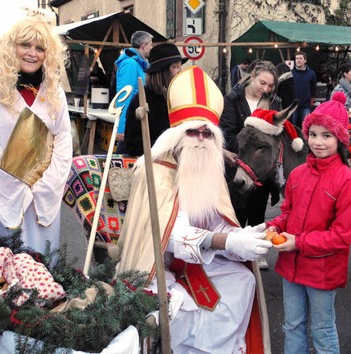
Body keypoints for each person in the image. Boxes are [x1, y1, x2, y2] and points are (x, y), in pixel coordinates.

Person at [115, 66, 272, 353]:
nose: (201, 139)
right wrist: (224, 241)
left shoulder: (209, 169)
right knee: (170, 307)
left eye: (207, 133)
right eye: (193, 132)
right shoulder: (155, 171)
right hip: (157, 267)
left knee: (243, 279)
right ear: (177, 135)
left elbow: (217, 222)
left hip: (199, 261)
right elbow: (169, 236)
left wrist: (240, 237)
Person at [265, 92, 351, 354]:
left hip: (323, 270)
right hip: (291, 266)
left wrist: (297, 242)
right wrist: (275, 225)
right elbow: (289, 212)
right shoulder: (297, 174)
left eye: (327, 135)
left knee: (322, 329)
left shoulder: (348, 183)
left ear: (340, 139)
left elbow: (341, 236)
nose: (318, 142)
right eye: (313, 134)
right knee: (292, 325)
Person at [0, 18, 72, 254]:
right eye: (25, 45)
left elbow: (63, 139)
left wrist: (46, 184)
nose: (32, 53)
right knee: (8, 262)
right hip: (4, 191)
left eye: (40, 48)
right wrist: (18, 185)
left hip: (43, 193)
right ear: (12, 46)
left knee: (44, 263)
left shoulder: (54, 90)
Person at [220, 60, 281, 270]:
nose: (265, 89)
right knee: (237, 209)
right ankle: (234, 249)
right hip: (238, 162)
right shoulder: (233, 99)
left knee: (257, 209)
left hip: (263, 167)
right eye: (262, 83)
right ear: (252, 75)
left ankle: (256, 250)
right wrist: (250, 148)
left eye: (270, 86)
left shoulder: (275, 102)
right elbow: (227, 132)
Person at [122, 43, 187, 156]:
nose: (180, 71)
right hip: (150, 166)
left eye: (180, 66)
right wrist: (169, 145)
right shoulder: (141, 100)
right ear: (162, 72)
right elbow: (133, 146)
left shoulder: (178, 98)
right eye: (175, 67)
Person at [114, 30, 153, 146]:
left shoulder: (140, 65)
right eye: (150, 44)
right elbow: (124, 96)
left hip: (138, 121)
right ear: (143, 46)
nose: (152, 47)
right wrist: (122, 129)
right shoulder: (130, 64)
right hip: (130, 125)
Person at [291, 51, 316, 127]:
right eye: (297, 58)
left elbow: (313, 88)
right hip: (292, 105)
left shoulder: (311, 74)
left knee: (307, 126)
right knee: (292, 126)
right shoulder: (290, 73)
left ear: (305, 60)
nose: (298, 60)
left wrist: (309, 99)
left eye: (300, 58)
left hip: (305, 105)